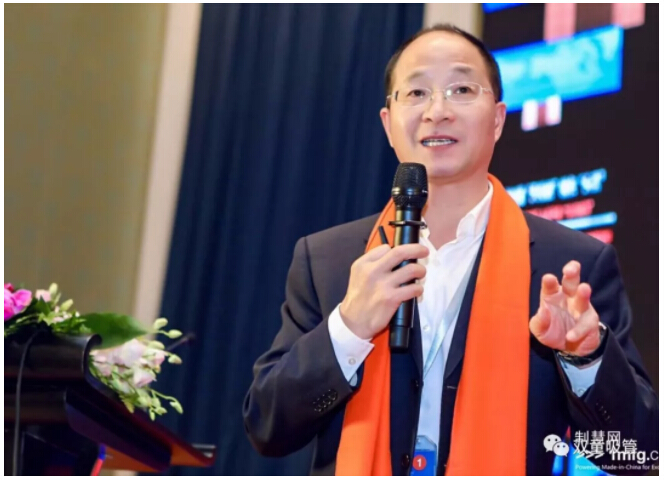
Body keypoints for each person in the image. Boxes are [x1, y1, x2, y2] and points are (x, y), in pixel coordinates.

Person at [242, 24, 658, 476]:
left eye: (461, 89)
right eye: (416, 93)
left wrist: (587, 358)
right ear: (388, 124)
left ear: (497, 119)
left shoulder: (568, 267)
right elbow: (267, 427)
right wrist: (348, 329)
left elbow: (639, 455)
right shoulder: (329, 260)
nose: (437, 111)